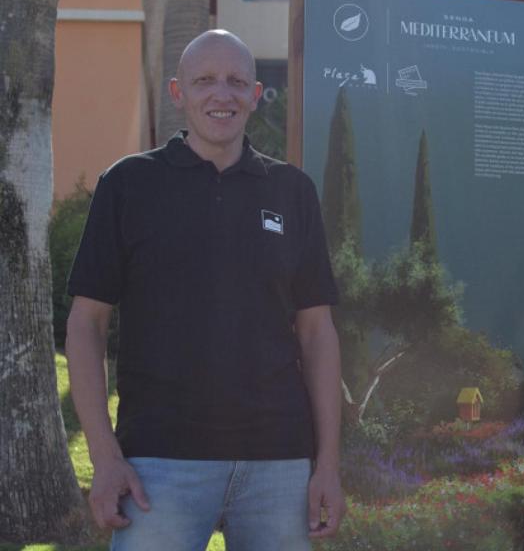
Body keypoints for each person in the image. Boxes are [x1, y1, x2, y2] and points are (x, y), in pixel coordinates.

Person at [65, 30, 344, 549]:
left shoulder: (293, 192)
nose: (223, 94)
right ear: (178, 93)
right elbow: (86, 324)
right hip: (159, 464)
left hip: (279, 466)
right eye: (205, 81)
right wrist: (105, 457)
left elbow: (317, 333)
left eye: (238, 81)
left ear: (257, 95)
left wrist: (326, 463)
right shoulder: (128, 185)